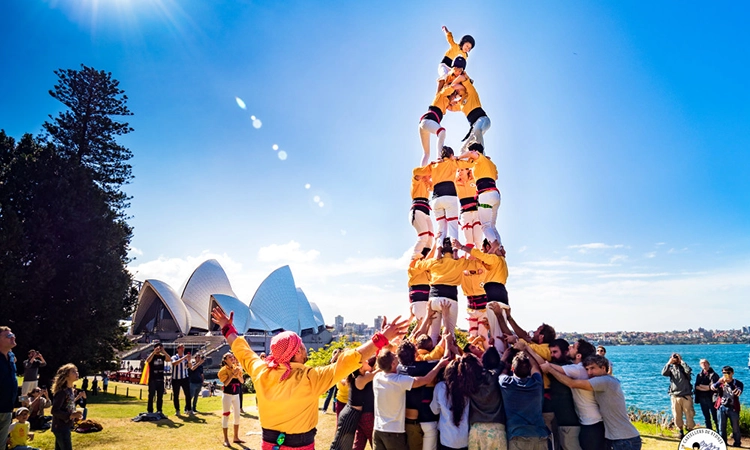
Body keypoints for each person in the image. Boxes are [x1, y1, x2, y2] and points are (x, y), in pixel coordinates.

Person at [211, 306, 409, 450]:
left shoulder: (261, 371)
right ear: (297, 352)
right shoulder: (310, 378)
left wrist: (227, 327)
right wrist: (381, 339)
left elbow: (242, 351)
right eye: (302, 345)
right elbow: (348, 361)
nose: (305, 348)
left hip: (270, 445)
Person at [542, 356, 641, 450]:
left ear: (603, 368)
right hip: (618, 438)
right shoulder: (609, 381)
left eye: (592, 368)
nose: (589, 372)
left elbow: (572, 384)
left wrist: (550, 369)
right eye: (587, 369)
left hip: (624, 439)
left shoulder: (604, 381)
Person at [373, 349, 449, 450]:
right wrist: (439, 365)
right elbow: (426, 380)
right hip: (394, 432)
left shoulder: (377, 378)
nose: (396, 355)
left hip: (377, 429)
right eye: (394, 355)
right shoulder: (399, 381)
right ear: (393, 364)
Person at [411, 239, 472, 341]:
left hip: (434, 299)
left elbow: (417, 265)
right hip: (450, 299)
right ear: (454, 249)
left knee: (433, 335)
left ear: (442, 249)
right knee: (450, 335)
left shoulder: (433, 261)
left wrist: (436, 249)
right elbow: (477, 263)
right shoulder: (460, 262)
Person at [499, 350, 550, 450]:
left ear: (512, 368)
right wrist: (526, 348)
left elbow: (500, 372)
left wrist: (505, 358)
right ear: (529, 369)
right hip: (539, 435)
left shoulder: (506, 383)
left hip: (517, 436)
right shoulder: (537, 382)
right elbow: (535, 367)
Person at [459, 143, 502, 253]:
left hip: (485, 195)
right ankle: (500, 249)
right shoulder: (491, 163)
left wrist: (457, 157)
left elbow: (471, 154)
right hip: (496, 195)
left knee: (485, 226)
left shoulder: (479, 159)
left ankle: (494, 244)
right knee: (492, 225)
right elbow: (496, 176)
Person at [329, 356, 377, 450]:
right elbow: (378, 371)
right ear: (360, 367)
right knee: (340, 446)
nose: (367, 361)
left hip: (355, 414)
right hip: (350, 415)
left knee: (355, 445)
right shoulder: (360, 379)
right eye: (365, 361)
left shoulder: (359, 376)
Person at [467, 347, 507, 450]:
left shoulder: (472, 379)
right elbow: (499, 367)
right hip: (498, 429)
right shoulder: (498, 377)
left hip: (476, 430)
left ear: (482, 361)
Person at [430, 356, 473, 450]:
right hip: (464, 439)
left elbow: (434, 410)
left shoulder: (440, 387)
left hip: (446, 439)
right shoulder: (468, 388)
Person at [450, 76, 490, 154]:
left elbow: (460, 79)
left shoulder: (471, 91)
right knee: (462, 150)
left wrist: (454, 86)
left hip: (483, 120)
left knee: (477, 129)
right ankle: (477, 159)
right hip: (474, 127)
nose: (457, 91)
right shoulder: (461, 103)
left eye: (458, 89)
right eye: (456, 91)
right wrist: (452, 96)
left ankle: (482, 154)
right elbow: (450, 107)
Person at [50, 364, 84, 450]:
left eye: (76, 371)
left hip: (66, 426)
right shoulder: (62, 392)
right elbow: (55, 411)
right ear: (66, 375)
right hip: (60, 427)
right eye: (73, 371)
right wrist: (70, 415)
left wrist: (75, 415)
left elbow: (68, 407)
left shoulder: (71, 390)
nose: (77, 373)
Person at [662, 353, 695, 438]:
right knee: (676, 415)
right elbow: (663, 373)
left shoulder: (684, 368)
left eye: (676, 358)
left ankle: (690, 431)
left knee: (689, 414)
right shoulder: (671, 369)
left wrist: (681, 361)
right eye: (673, 358)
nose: (675, 359)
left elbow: (688, 370)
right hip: (675, 396)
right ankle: (681, 431)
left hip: (686, 396)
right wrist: (669, 362)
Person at [711, 366, 743, 447]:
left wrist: (730, 383)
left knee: (735, 427)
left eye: (728, 373)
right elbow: (712, 388)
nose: (726, 374)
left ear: (732, 373)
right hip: (721, 407)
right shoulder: (720, 382)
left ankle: (737, 443)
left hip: (733, 408)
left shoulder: (738, 383)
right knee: (721, 427)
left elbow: (738, 393)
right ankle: (723, 443)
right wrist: (719, 383)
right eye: (724, 373)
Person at [218, 352, 245, 447]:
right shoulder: (223, 370)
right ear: (225, 360)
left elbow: (242, 381)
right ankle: (226, 439)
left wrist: (237, 375)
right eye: (229, 357)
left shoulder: (237, 368)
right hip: (227, 395)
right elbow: (225, 383)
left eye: (232, 357)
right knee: (226, 415)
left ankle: (236, 437)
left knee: (237, 415)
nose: (232, 358)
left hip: (236, 395)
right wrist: (232, 374)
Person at [410, 165, 434, 258]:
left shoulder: (427, 184)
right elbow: (416, 172)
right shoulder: (417, 181)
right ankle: (415, 256)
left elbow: (434, 186)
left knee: (430, 238)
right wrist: (430, 167)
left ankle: (424, 257)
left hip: (426, 212)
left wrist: (428, 178)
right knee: (424, 235)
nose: (430, 176)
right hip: (417, 210)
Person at [456, 167, 482, 250]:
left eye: (462, 170)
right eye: (458, 170)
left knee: (478, 240)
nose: (460, 172)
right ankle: (468, 257)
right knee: (469, 241)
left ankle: (479, 257)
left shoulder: (474, 179)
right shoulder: (456, 183)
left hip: (477, 213)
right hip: (465, 213)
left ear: (467, 170)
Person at [0, 326, 18, 447]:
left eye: (13, 335)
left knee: (2, 444)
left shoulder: (11, 356)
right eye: (9, 336)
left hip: (7, 408)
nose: (13, 338)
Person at [694, 359, 719, 431]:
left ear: (708, 364)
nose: (704, 365)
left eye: (705, 363)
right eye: (702, 363)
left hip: (712, 399)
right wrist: (706, 387)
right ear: (700, 365)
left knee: (715, 417)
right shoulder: (699, 375)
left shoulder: (714, 375)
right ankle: (709, 432)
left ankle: (719, 433)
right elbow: (696, 386)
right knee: (706, 418)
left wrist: (702, 387)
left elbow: (712, 387)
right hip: (702, 398)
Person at [145, 342, 168, 415]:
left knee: (160, 396)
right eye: (157, 348)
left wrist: (163, 351)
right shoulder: (152, 356)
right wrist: (153, 352)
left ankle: (159, 410)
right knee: (151, 396)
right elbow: (147, 361)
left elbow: (169, 359)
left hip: (160, 379)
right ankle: (150, 410)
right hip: (153, 379)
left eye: (160, 348)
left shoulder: (162, 356)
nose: (158, 349)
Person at [171, 344, 193, 415]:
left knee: (188, 394)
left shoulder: (185, 358)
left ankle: (189, 409)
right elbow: (174, 363)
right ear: (177, 349)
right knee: (176, 395)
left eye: (183, 348)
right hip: (176, 378)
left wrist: (189, 361)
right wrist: (184, 358)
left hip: (184, 378)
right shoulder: (174, 357)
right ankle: (177, 410)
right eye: (181, 348)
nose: (182, 349)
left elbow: (190, 367)